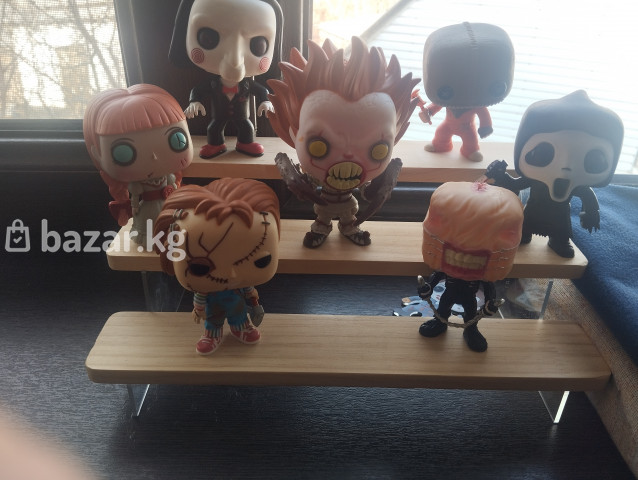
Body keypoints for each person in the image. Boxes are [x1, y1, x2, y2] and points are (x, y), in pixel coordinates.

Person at [268, 36, 418, 248]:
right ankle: (322, 227)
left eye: (378, 149)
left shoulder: (359, 178)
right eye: (319, 147)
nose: (348, 156)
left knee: (349, 219)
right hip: (325, 205)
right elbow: (300, 180)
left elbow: (369, 192)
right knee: (323, 218)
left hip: (349, 205)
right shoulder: (316, 178)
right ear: (293, 134)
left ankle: (349, 227)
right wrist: (294, 178)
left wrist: (381, 185)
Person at [154, 178, 280, 355]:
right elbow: (200, 298)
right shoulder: (204, 289)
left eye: (261, 261)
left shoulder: (241, 283)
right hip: (213, 306)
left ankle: (241, 328)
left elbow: (248, 289)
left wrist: (251, 293)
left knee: (240, 317)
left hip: (237, 302)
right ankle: (212, 335)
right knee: (213, 322)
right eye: (200, 268)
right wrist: (198, 309)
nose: (231, 274)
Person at [169, 0, 283, 158]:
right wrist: (194, 101)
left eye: (258, 45)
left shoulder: (247, 84)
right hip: (219, 114)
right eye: (208, 38)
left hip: (241, 114)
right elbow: (198, 90)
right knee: (213, 128)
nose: (235, 61)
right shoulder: (213, 83)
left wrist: (265, 100)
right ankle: (215, 144)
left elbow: (261, 90)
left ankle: (245, 143)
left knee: (246, 127)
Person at [83, 84, 193, 245]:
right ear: (97, 155)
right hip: (148, 208)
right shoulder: (137, 185)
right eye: (124, 153)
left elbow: (174, 186)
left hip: (168, 205)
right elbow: (135, 197)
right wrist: (134, 207)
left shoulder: (169, 176)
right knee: (150, 226)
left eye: (177, 140)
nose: (154, 157)